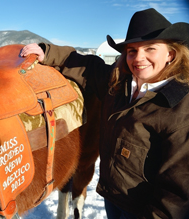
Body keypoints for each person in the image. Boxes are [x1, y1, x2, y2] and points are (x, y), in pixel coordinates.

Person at [20, 8, 189, 219]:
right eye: (132, 51)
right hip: (112, 197)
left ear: (170, 54)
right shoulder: (118, 85)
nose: (139, 58)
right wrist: (47, 51)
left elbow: (177, 191)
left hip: (142, 210)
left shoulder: (181, 109)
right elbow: (88, 67)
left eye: (150, 49)